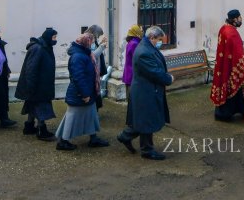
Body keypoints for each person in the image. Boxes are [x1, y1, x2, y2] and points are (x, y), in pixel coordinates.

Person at [116, 25, 173, 160]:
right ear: (152, 37)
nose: (160, 42)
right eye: (159, 39)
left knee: (143, 119)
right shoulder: (144, 52)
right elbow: (153, 71)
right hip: (145, 91)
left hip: (147, 89)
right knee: (147, 120)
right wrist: (168, 78)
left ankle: (125, 136)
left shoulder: (146, 46)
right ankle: (147, 150)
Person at [55, 31, 109, 151]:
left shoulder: (84, 53)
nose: (92, 44)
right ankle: (63, 141)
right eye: (91, 42)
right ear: (87, 43)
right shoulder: (78, 56)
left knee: (91, 115)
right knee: (72, 117)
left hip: (88, 92)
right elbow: (78, 77)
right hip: (80, 94)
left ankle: (93, 138)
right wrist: (85, 94)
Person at [14, 27, 58, 141]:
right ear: (48, 37)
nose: (55, 39)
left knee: (32, 104)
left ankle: (29, 126)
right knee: (40, 107)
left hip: (41, 84)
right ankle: (41, 130)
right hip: (37, 85)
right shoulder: (38, 48)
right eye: (54, 37)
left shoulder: (46, 47)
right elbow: (31, 69)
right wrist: (31, 86)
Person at [211, 9, 244, 120]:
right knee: (236, 89)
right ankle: (232, 113)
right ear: (234, 20)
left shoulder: (224, 28)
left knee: (230, 91)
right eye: (239, 18)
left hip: (225, 67)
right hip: (233, 68)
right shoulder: (232, 33)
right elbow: (238, 53)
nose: (241, 20)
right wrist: (243, 67)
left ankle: (224, 113)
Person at [122, 24, 143, 99]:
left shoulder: (131, 42)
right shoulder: (135, 43)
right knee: (133, 100)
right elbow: (137, 59)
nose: (141, 31)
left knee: (130, 99)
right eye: (140, 30)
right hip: (132, 75)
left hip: (129, 74)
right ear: (136, 32)